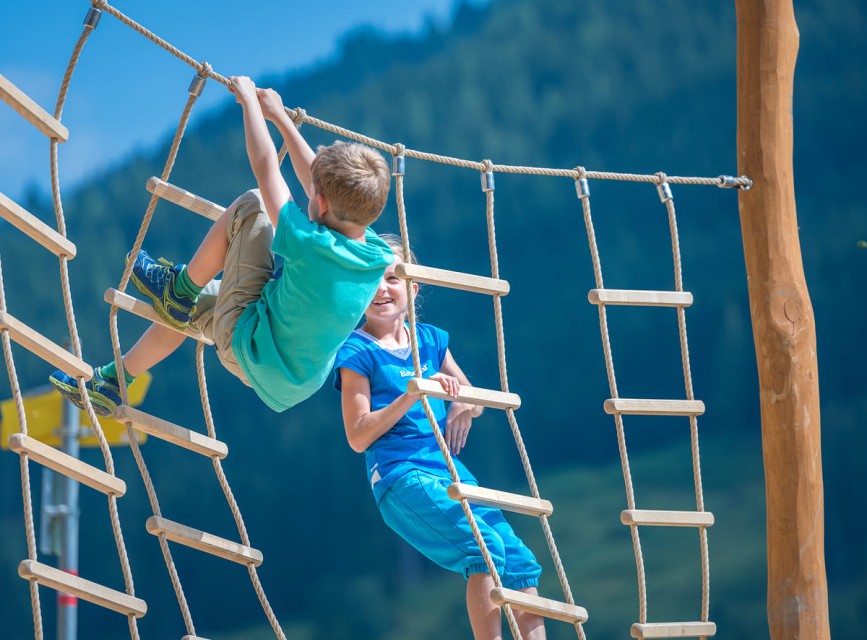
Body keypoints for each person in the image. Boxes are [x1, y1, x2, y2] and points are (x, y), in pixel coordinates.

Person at [49, 76, 393, 416]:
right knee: (198, 308)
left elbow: (265, 169)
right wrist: (282, 118)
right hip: (284, 373)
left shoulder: (310, 244)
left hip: (250, 343)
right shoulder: (377, 254)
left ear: (322, 201)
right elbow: (316, 186)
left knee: (254, 204)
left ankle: (180, 289)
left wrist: (250, 105)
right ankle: (115, 382)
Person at [334, 235, 546, 639]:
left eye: (393, 278)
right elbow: (358, 436)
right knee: (482, 549)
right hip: (400, 476)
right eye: (371, 279)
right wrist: (411, 393)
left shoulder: (429, 339)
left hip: (446, 472)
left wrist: (464, 405)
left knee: (519, 561)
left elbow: (468, 395)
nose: (382, 288)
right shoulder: (357, 352)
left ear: (413, 288)